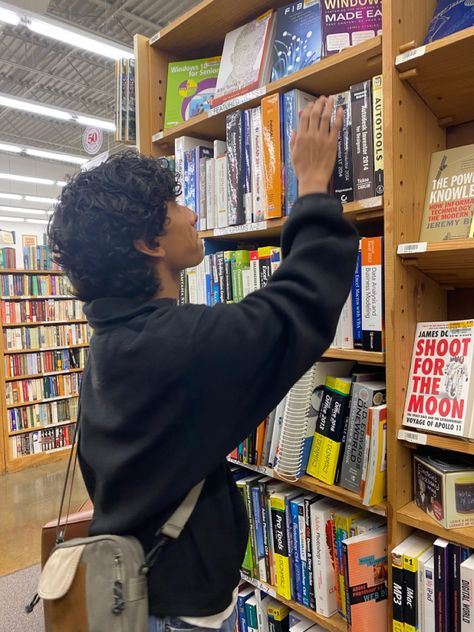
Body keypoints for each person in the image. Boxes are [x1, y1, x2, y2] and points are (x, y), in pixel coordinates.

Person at [48, 96, 359, 632]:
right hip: (178, 611)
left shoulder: (111, 341)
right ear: (149, 243)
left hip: (136, 588)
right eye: (176, 203)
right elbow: (300, 305)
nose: (193, 213)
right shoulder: (175, 347)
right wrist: (311, 187)